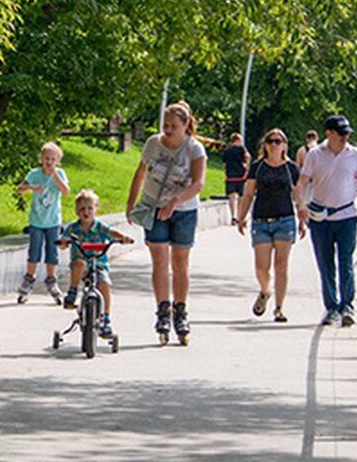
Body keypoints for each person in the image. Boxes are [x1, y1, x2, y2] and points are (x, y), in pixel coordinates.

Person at [126, 101, 207, 344]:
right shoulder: (153, 143)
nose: (168, 130)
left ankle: (180, 311)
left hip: (183, 210)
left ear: (185, 126)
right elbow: (140, 173)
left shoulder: (195, 149)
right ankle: (162, 311)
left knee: (180, 261)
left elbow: (198, 183)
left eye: (173, 126)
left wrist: (175, 201)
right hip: (154, 206)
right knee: (159, 258)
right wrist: (131, 203)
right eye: (165, 125)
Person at [295, 115, 357, 327]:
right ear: (329, 133)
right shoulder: (315, 155)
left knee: (346, 262)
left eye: (347, 134)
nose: (345, 137)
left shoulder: (353, 155)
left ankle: (347, 306)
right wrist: (301, 205)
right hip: (321, 217)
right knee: (325, 263)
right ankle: (331, 308)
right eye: (340, 133)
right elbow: (302, 183)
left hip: (347, 216)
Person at [236, 128, 302, 322]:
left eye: (278, 141)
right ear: (265, 145)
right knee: (261, 268)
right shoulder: (258, 167)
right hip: (261, 221)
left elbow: (297, 195)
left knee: (281, 266)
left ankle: (279, 308)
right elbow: (248, 194)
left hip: (285, 220)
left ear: (284, 145)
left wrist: (303, 217)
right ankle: (265, 291)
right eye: (271, 141)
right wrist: (241, 216)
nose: (274, 145)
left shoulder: (291, 168)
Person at [58, 189, 134, 337]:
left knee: (104, 284)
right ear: (76, 212)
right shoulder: (73, 228)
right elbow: (64, 238)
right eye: (81, 209)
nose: (86, 212)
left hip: (99, 264)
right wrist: (63, 242)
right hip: (81, 265)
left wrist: (123, 238)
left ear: (96, 209)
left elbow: (112, 232)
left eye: (90, 208)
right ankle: (72, 292)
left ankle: (105, 318)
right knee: (80, 263)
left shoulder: (100, 226)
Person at [17, 141, 70, 303]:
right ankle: (29, 280)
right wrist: (33, 188)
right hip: (36, 222)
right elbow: (20, 189)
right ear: (41, 159)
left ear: (58, 161)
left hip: (53, 222)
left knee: (52, 253)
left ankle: (51, 281)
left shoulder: (59, 174)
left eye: (53, 159)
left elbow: (66, 191)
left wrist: (55, 176)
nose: (49, 162)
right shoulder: (34, 174)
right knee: (34, 252)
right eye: (47, 158)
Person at [221, 133, 250, 225]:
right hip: (241, 176)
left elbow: (224, 165)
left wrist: (226, 172)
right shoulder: (241, 149)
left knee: (231, 197)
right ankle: (240, 216)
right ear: (238, 140)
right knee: (241, 197)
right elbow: (247, 156)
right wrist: (246, 165)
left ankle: (233, 216)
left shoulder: (227, 151)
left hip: (230, 177)